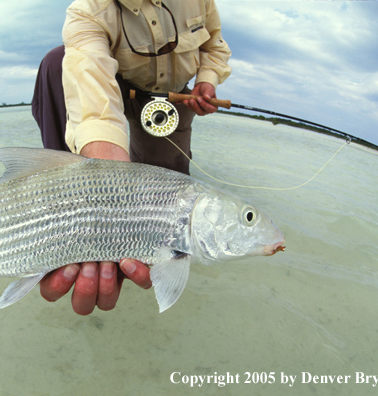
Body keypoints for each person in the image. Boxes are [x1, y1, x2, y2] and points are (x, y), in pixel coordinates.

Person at [32, 0, 231, 315]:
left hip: (169, 97)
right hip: (110, 88)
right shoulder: (87, 9)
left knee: (173, 198)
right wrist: (107, 188)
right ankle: (64, 193)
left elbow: (214, 45)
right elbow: (93, 94)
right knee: (56, 62)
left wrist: (207, 79)